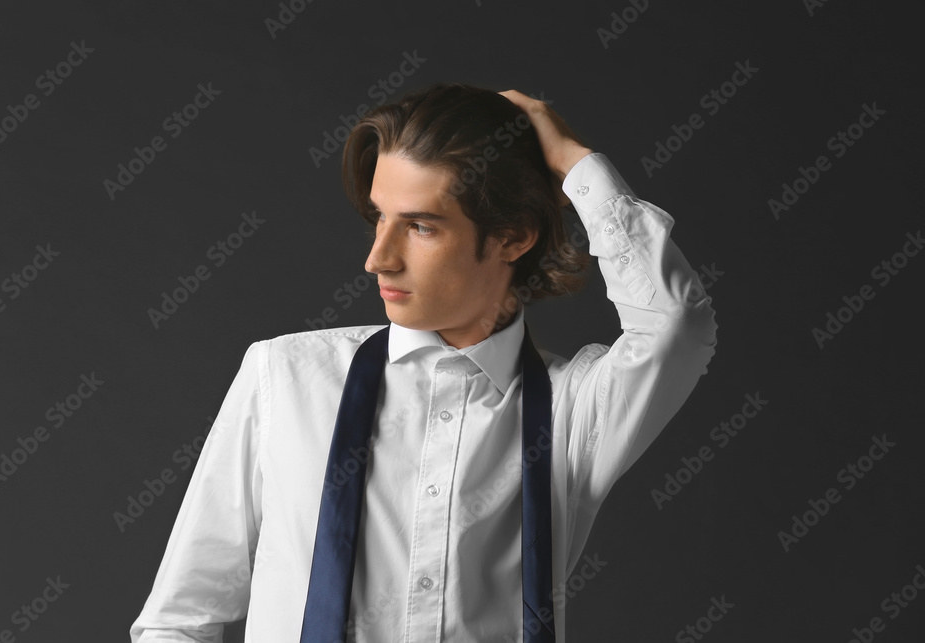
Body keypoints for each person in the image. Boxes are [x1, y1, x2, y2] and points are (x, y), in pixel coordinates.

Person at [130, 83, 718, 642]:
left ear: (513, 238)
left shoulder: (574, 411)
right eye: (379, 218)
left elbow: (677, 325)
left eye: (419, 226)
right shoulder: (282, 377)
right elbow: (180, 618)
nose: (377, 259)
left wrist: (575, 163)